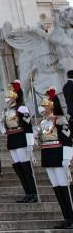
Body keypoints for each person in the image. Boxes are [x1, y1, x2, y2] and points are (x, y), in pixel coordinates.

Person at [38, 88, 73, 228]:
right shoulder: (43, 122)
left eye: (45, 104)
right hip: (48, 156)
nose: (43, 107)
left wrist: (67, 157)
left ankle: (71, 217)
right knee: (57, 188)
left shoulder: (60, 120)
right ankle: (66, 217)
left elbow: (67, 140)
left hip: (59, 156)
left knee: (64, 187)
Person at [3, 80, 37, 203]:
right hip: (12, 140)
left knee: (26, 168)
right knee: (18, 168)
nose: (7, 98)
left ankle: (33, 192)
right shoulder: (6, 110)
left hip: (21, 139)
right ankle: (27, 192)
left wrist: (30, 143)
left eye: (9, 95)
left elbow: (28, 126)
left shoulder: (22, 108)